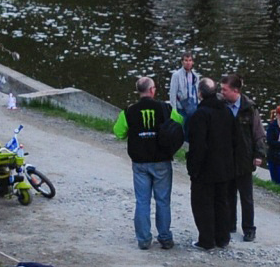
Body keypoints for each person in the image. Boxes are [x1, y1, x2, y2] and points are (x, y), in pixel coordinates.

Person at [110, 76, 181, 251]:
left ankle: (143, 240)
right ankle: (165, 237)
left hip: (140, 162)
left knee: (142, 201)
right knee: (163, 200)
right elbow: (179, 122)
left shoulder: (128, 111)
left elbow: (118, 132)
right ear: (151, 90)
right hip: (161, 161)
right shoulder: (165, 108)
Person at [184, 78, 236, 251]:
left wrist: (193, 168)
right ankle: (222, 237)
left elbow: (198, 145)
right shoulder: (226, 111)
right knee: (221, 202)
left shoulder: (201, 114)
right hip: (224, 166)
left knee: (203, 204)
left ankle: (206, 240)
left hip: (206, 168)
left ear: (200, 94)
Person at [220, 73, 261, 242]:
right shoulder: (221, 105)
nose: (221, 92)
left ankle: (249, 228)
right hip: (227, 157)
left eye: (225, 89)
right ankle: (230, 223)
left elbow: (258, 132)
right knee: (228, 193)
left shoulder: (249, 108)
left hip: (244, 157)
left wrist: (259, 154)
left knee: (246, 196)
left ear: (235, 91)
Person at [170, 53, 200, 119]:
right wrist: (174, 109)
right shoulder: (176, 75)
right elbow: (173, 93)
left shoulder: (195, 76)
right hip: (181, 107)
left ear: (192, 62)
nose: (188, 63)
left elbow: (197, 92)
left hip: (193, 106)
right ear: (182, 62)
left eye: (190, 60)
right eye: (186, 60)